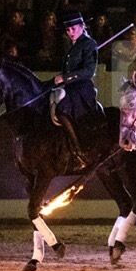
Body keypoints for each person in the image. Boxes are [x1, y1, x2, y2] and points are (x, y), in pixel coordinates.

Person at [53, 10, 102, 168]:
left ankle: (78, 150)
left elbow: (89, 71)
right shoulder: (72, 46)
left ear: (82, 26)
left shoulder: (89, 44)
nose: (70, 33)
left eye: (73, 29)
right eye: (68, 30)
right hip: (70, 87)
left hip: (82, 89)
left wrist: (66, 78)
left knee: (62, 109)